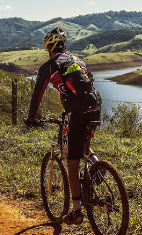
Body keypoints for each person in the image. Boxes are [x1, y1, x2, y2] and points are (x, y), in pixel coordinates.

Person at [25, 27, 101, 225]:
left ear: (48, 49)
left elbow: (37, 96)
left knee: (72, 161)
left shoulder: (49, 67)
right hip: (94, 109)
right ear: (64, 47)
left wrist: (31, 118)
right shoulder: (78, 61)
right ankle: (98, 166)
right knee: (84, 147)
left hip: (73, 114)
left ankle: (76, 212)